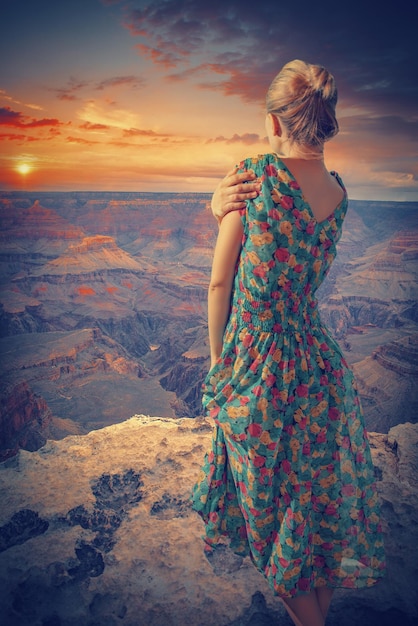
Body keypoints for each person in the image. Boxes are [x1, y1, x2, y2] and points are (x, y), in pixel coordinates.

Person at [191, 59, 385, 626]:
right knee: (309, 509)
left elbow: (220, 281)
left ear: (274, 122)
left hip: (261, 368)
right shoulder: (339, 195)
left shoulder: (255, 176)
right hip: (317, 363)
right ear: (326, 124)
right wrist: (216, 206)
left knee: (269, 516)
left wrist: (218, 363)